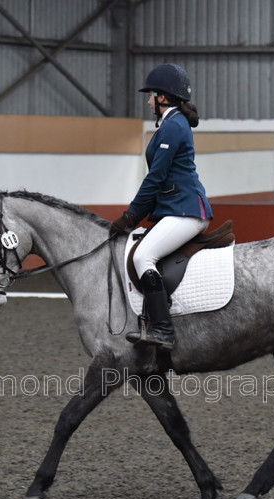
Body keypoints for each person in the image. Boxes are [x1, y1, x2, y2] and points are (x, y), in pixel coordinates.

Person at [110, 63, 213, 351]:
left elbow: (155, 178)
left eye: (151, 95)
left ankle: (164, 330)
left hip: (187, 211)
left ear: (163, 97)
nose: (148, 101)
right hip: (176, 208)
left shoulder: (175, 126)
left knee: (143, 257)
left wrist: (130, 215)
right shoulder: (171, 123)